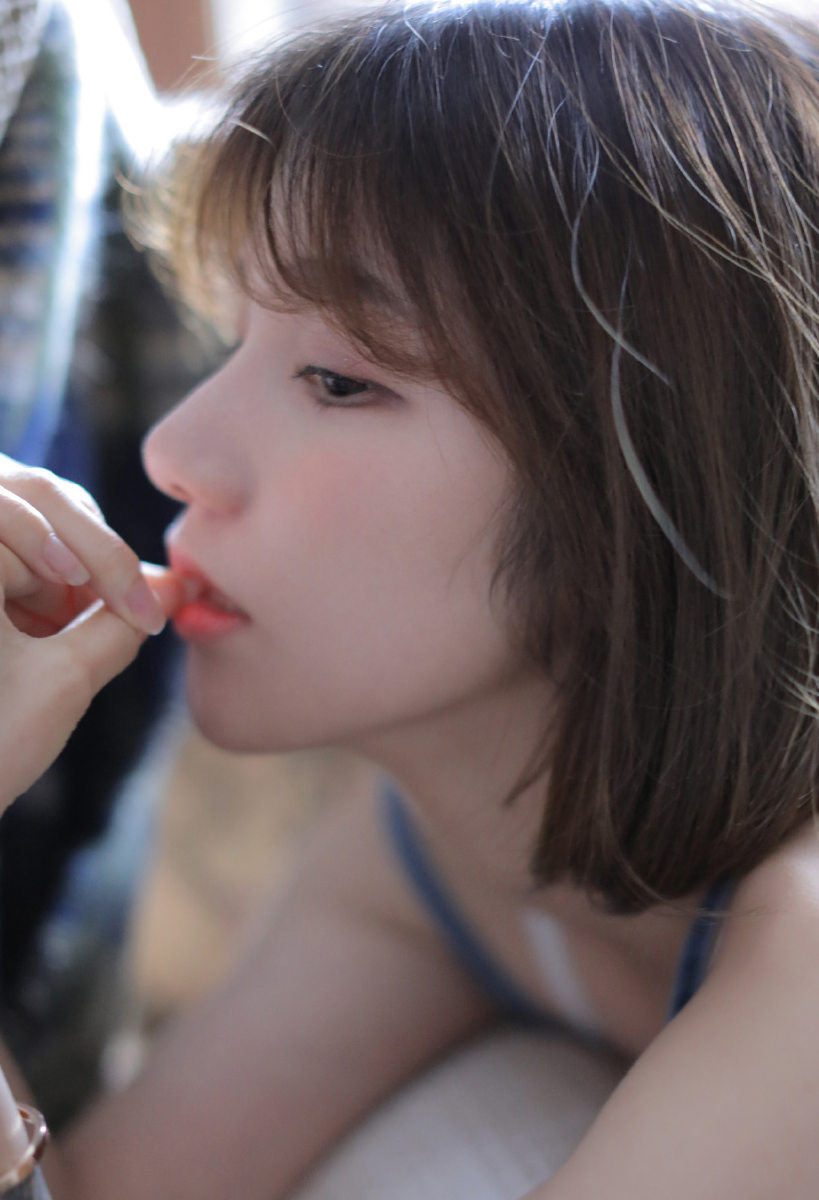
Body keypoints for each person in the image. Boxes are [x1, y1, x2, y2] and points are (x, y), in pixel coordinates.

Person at [0, 0, 818, 1195]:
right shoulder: (434, 845)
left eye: (338, 380)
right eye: (234, 340)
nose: (172, 452)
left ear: (658, 482)